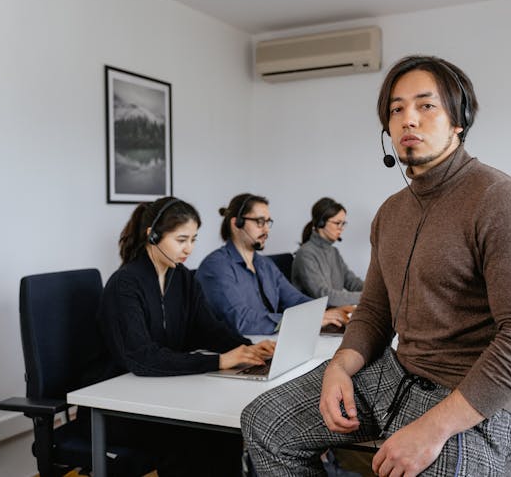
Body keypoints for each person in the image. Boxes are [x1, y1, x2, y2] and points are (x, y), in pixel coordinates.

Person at [242, 55, 511, 476]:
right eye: (396, 109)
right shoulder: (390, 213)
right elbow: (374, 312)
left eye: (426, 106)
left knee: (429, 467)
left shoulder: (504, 203)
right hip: (399, 374)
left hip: (483, 396)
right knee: (264, 424)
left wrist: (432, 428)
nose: (409, 119)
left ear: (458, 120)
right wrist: (338, 367)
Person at [96, 196, 275, 476]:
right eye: (181, 240)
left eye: (193, 239)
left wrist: (249, 348)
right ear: (152, 236)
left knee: (224, 429)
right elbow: (141, 358)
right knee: (202, 435)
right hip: (125, 404)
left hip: (166, 392)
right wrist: (218, 362)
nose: (189, 249)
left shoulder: (182, 278)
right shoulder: (125, 284)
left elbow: (208, 328)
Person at [196, 193, 351, 335]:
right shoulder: (216, 267)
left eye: (268, 222)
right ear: (236, 224)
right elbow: (241, 320)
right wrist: (305, 319)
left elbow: (295, 299)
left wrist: (326, 312)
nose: (266, 229)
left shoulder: (264, 264)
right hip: (239, 348)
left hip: (269, 340)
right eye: (259, 222)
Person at [292, 197, 364, 306]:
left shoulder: (334, 252)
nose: (341, 228)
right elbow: (324, 296)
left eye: (343, 223)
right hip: (316, 317)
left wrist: (375, 291)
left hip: (333, 312)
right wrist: (366, 297)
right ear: (321, 223)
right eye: (337, 223)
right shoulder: (305, 254)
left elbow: (352, 281)